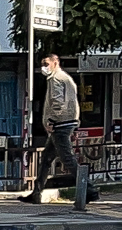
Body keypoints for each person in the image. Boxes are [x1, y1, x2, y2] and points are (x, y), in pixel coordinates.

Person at [34, 52, 86, 199]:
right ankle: (37, 191)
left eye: (46, 64)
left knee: (67, 158)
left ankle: (88, 187)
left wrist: (52, 120)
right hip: (67, 122)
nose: (44, 67)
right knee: (46, 157)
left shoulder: (56, 79)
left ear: (55, 63)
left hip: (60, 124)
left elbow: (57, 102)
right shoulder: (66, 78)